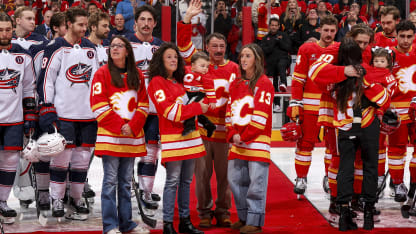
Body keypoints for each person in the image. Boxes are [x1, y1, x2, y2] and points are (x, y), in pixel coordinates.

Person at [311, 37, 391, 231]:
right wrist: (368, 85)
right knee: (370, 168)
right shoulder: (368, 72)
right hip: (368, 124)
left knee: (345, 168)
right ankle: (369, 213)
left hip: (344, 126)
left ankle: (344, 214)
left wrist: (342, 73)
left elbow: (315, 75)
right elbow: (384, 98)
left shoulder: (333, 77)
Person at [178, 0, 240, 228]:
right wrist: (186, 21)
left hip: (224, 131)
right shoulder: (198, 63)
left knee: (225, 177)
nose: (218, 50)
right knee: (202, 176)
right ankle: (204, 211)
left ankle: (223, 210)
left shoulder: (234, 68)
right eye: (213, 46)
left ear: (226, 48)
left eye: (221, 47)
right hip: (201, 130)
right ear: (206, 46)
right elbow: (183, 44)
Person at [37, 7, 99, 220]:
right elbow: (46, 80)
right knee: (61, 160)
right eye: (80, 25)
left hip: (88, 115)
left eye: (86, 25)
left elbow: (96, 81)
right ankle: (56, 199)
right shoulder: (56, 47)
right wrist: (47, 107)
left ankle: (77, 197)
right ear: (69, 24)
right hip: (64, 114)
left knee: (82, 160)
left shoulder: (91, 48)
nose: (84, 29)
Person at [91, 35, 150, 234]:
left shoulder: (138, 75)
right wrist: (120, 126)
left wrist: (132, 126)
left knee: (125, 183)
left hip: (130, 137)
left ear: (127, 51)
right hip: (111, 137)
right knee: (109, 182)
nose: (114, 48)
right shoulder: (102, 73)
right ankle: (110, 226)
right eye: (112, 46)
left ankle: (127, 224)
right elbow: (98, 105)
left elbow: (143, 104)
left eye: (119, 46)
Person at [147, 42, 207, 234]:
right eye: (169, 57)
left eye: (175, 57)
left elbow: (186, 106)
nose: (173, 60)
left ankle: (185, 221)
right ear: (160, 61)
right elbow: (170, 112)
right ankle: (167, 224)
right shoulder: (156, 82)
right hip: (173, 138)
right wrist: (198, 108)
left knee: (186, 181)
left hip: (191, 137)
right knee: (173, 181)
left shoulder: (179, 81)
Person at [287, 15, 338, 197]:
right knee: (305, 143)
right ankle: (301, 177)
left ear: (337, 31)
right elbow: (298, 79)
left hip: (331, 105)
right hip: (309, 105)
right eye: (326, 30)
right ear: (319, 30)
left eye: (332, 31)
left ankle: (329, 176)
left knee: (332, 146)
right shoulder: (307, 49)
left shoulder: (340, 50)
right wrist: (295, 101)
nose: (329, 34)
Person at [226, 43, 273, 234]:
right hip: (238, 141)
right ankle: (243, 216)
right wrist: (232, 134)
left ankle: (254, 220)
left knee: (256, 183)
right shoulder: (235, 83)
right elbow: (229, 112)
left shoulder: (264, 83)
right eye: (242, 56)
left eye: (248, 56)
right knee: (235, 180)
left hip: (257, 141)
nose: (243, 59)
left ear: (257, 59)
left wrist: (242, 137)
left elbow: (261, 117)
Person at [0, 12, 36, 224]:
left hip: (14, 119)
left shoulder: (23, 56)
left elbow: (28, 89)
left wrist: (30, 117)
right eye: (0, 30)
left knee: (11, 161)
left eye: (7, 30)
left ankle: (3, 202)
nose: (4, 34)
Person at [126, 4, 163, 210]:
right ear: (136, 22)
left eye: (150, 20)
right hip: (132, 109)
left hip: (155, 110)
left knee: (151, 152)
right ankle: (128, 189)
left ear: (155, 24)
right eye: (143, 20)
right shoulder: (125, 45)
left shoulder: (162, 47)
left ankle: (146, 191)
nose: (146, 24)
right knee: (129, 152)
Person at [388, 20, 416, 204]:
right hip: (397, 111)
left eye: (409, 36)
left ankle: (414, 184)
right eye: (402, 36)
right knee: (397, 150)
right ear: (396, 36)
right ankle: (397, 184)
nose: (406, 40)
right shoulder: (389, 56)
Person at [259, 15, 292, 111]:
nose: (273, 27)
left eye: (275, 25)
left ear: (278, 26)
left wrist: (280, 41)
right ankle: (276, 103)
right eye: (272, 25)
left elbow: (288, 47)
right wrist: (274, 42)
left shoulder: (284, 35)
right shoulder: (266, 38)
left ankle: (284, 83)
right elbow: (265, 51)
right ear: (269, 26)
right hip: (271, 63)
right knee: (273, 82)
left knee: (281, 65)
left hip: (284, 60)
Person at [182, 51, 217, 137]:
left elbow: (210, 88)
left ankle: (190, 126)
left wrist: (212, 100)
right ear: (193, 65)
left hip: (199, 94)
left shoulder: (205, 76)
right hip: (188, 93)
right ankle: (209, 125)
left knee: (190, 107)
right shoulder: (186, 69)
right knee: (196, 112)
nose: (205, 68)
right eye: (202, 66)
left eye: (207, 66)